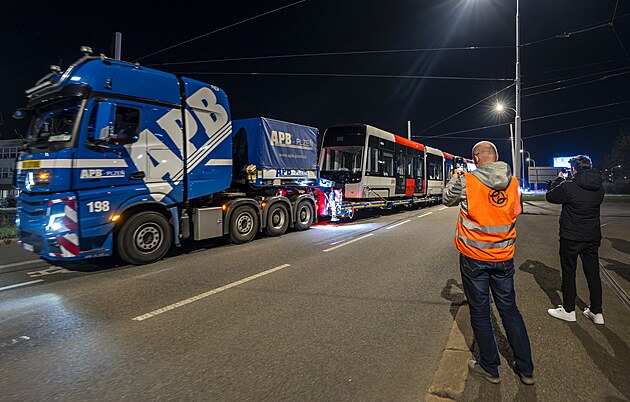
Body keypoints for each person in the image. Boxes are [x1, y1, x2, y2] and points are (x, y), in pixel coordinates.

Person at [442, 141, 534, 385]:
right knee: (509, 309)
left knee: (481, 311)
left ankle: (490, 367)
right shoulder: (512, 182)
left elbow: (446, 199)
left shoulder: (468, 181)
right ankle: (526, 369)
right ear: (496, 156)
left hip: (474, 257)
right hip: (503, 256)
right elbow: (515, 211)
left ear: (475, 158)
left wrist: (455, 177)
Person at [546, 155, 605, 324]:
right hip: (592, 236)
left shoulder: (568, 186)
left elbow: (550, 197)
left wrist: (559, 180)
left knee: (569, 272)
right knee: (593, 273)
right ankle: (597, 312)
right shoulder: (599, 188)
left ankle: (568, 310)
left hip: (571, 236)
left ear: (573, 169)